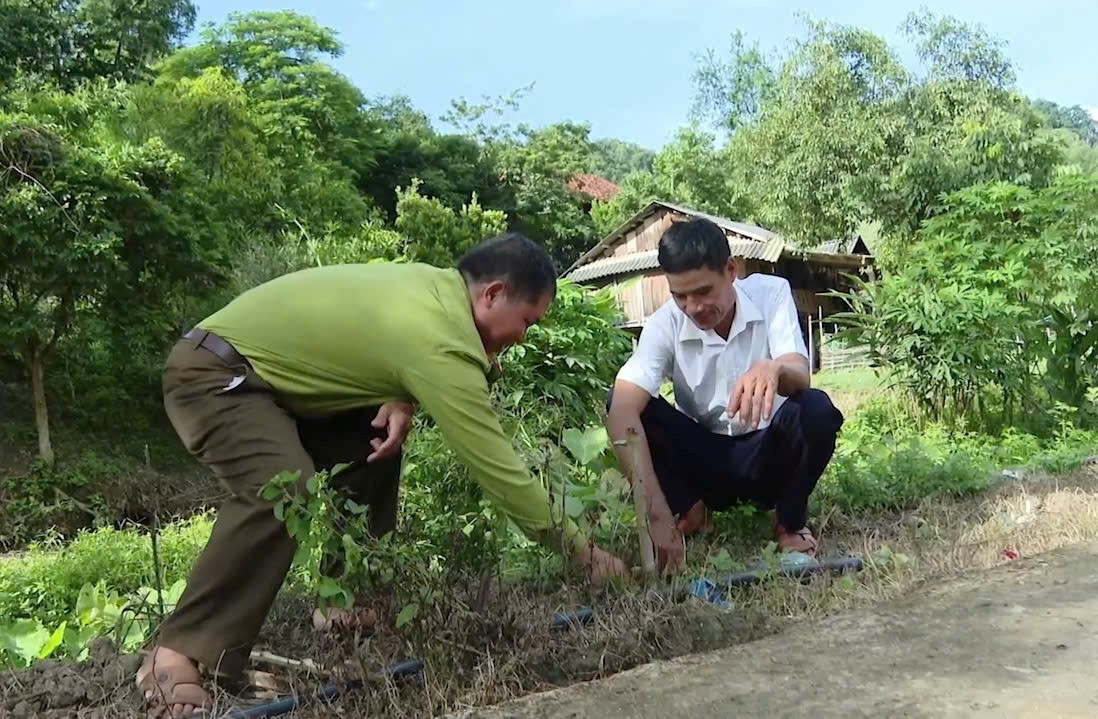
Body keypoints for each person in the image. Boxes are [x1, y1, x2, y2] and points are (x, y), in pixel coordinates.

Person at [136, 233, 629, 718]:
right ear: (493, 294)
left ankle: (345, 603)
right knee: (283, 487)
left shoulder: (432, 291)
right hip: (217, 376)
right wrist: (581, 553)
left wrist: (399, 396)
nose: (524, 335)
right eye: (527, 321)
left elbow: (371, 341)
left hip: (274, 386)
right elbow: (498, 468)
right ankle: (182, 650)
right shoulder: (440, 337)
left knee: (375, 443)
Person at [605, 218, 844, 575]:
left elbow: (799, 372)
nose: (693, 307)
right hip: (705, 461)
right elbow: (622, 408)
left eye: (703, 292)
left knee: (816, 409)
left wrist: (774, 368)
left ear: (730, 270)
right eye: (679, 295)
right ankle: (692, 510)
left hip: (768, 455)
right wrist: (655, 514)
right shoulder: (663, 325)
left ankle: (789, 523)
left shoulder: (771, 293)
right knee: (621, 404)